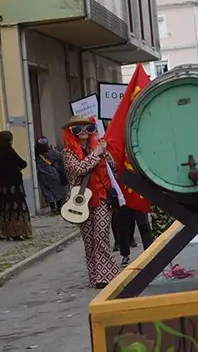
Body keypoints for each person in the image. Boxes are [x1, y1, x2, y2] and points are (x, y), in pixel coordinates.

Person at [61, 115, 122, 288]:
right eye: (77, 129)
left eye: (88, 128)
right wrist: (96, 155)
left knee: (101, 236)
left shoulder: (98, 146)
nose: (83, 132)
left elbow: (114, 167)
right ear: (70, 132)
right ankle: (95, 276)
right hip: (81, 201)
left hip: (102, 196)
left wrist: (105, 151)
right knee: (89, 240)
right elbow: (78, 169)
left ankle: (107, 276)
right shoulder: (68, 153)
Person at [0, 131, 34, 240]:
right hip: (14, 184)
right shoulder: (9, 151)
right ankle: (19, 231)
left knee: (6, 208)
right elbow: (22, 163)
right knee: (18, 208)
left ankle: (7, 232)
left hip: (3, 185)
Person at [35, 138, 67, 214]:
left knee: (48, 192)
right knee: (57, 190)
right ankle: (59, 207)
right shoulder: (51, 151)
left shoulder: (36, 152)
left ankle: (53, 209)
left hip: (42, 175)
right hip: (53, 173)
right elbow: (60, 156)